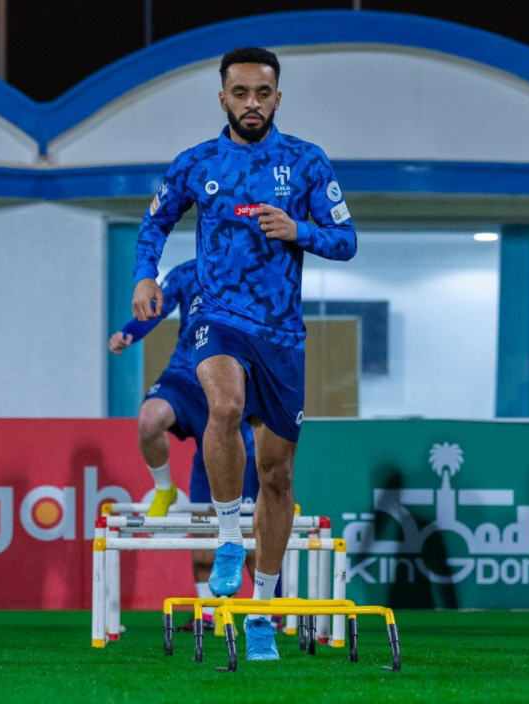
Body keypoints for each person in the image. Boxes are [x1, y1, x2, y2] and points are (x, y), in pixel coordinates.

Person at [131, 47, 357, 660]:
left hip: (282, 334)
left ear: (278, 97)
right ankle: (230, 535)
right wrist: (145, 276)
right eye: (240, 93)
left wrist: (299, 230)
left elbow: (346, 239)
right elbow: (154, 223)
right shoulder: (197, 162)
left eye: (263, 93)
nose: (251, 103)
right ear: (222, 97)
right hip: (217, 319)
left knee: (278, 476)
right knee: (223, 406)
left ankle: (260, 608)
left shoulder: (307, 162)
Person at [108, 258, 260, 631]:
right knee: (149, 420)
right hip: (186, 378)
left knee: (248, 524)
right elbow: (155, 307)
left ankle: (264, 610)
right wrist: (129, 332)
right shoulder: (188, 272)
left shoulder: (255, 271)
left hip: (232, 385)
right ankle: (207, 614)